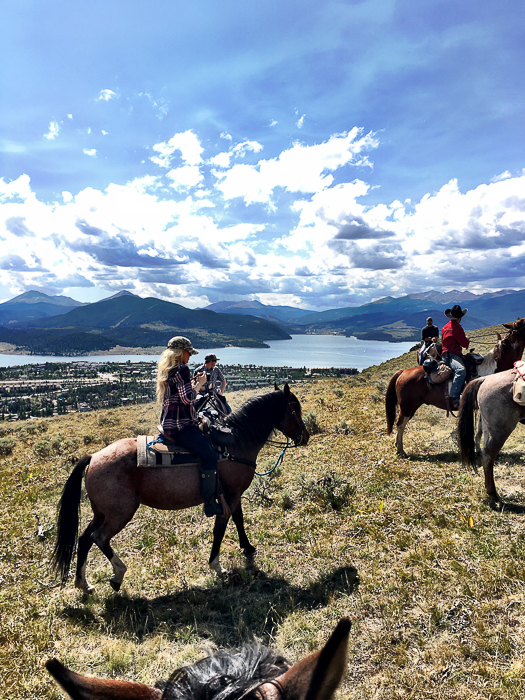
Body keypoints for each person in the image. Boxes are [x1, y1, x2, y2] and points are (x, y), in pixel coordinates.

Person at [156, 336, 223, 517]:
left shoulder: (169, 369)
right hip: (181, 425)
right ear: (181, 352)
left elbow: (181, 394)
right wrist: (200, 384)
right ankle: (209, 503)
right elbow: (187, 399)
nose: (190, 357)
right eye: (189, 353)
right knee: (209, 454)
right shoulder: (182, 369)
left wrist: (193, 384)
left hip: (168, 421)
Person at [441, 305, 470, 409]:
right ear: (460, 318)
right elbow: (464, 343)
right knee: (461, 370)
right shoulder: (457, 328)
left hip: (445, 354)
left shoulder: (445, 327)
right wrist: (467, 340)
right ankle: (454, 397)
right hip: (451, 356)